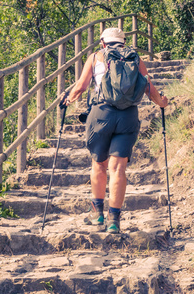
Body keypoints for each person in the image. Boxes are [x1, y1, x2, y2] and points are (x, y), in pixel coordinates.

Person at [64, 26, 170, 234]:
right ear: (123, 42)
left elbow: (81, 86)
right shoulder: (135, 59)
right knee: (118, 169)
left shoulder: (96, 57)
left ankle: (97, 215)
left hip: (101, 114)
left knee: (99, 165)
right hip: (128, 117)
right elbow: (148, 87)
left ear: (103, 43)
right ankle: (114, 220)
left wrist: (67, 99)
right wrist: (162, 102)